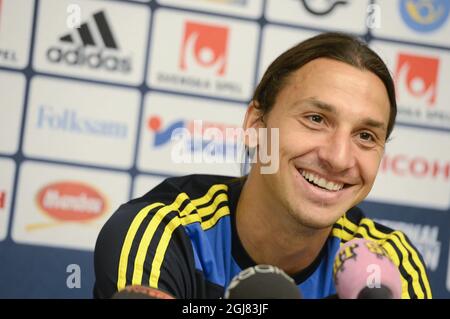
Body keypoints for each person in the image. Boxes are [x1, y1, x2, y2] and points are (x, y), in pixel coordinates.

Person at [93, 32, 432, 299]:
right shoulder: (162, 232)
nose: (339, 158)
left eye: (365, 136)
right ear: (256, 125)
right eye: (316, 119)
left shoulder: (389, 265)